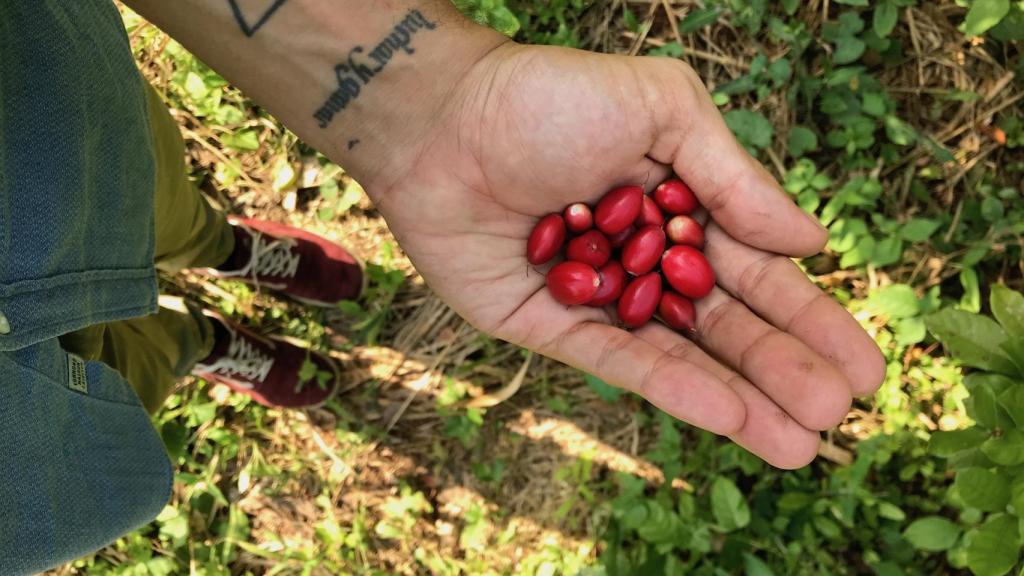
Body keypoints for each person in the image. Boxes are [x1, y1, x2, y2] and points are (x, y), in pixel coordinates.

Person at [0, 0, 886, 572]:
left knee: (141, 204)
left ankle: (215, 260)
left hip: (53, 133)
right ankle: (197, 343)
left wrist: (425, 91)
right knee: (101, 381)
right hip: (34, 460)